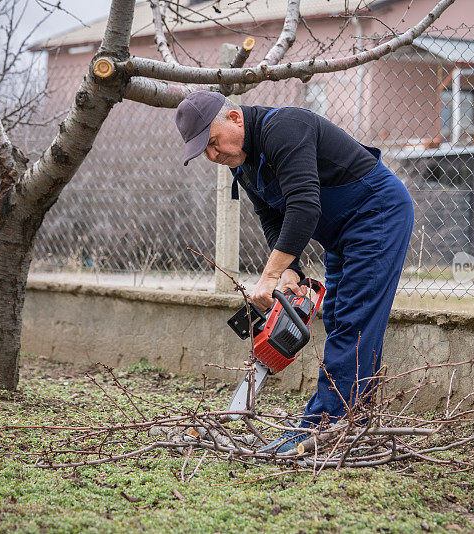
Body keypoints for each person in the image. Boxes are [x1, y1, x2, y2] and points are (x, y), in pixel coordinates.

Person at [175, 91, 414, 453]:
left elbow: (304, 205)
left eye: (212, 142)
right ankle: (354, 421)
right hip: (342, 233)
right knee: (336, 315)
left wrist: (269, 277)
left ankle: (326, 427)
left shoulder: (285, 127)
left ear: (235, 118)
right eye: (204, 152)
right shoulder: (244, 164)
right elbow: (273, 218)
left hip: (377, 214)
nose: (213, 155)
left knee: (354, 321)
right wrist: (292, 274)